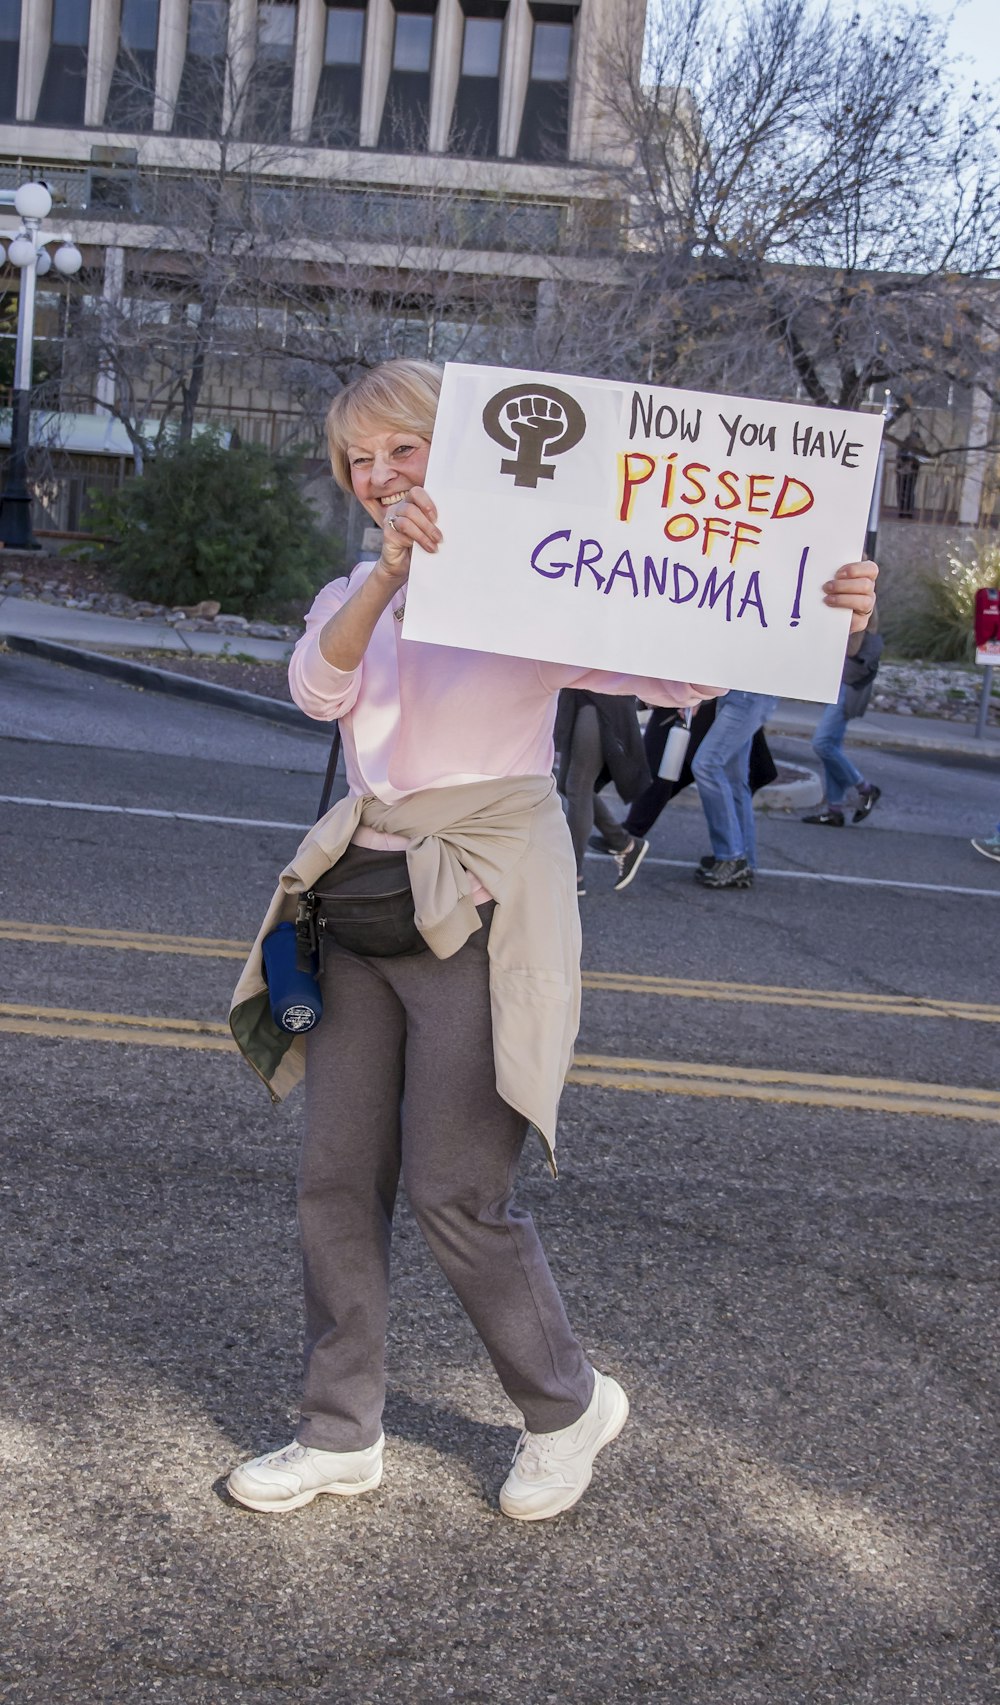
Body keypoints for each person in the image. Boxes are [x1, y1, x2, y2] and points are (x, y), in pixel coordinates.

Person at [225, 358, 880, 1522]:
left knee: (454, 1188)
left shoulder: (528, 585)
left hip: (483, 895)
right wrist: (388, 576)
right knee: (334, 1176)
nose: (379, 476)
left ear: (457, 449)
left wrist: (812, 603)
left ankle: (567, 1404)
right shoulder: (349, 591)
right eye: (358, 461)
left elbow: (682, 667)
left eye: (403, 449)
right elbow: (318, 691)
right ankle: (338, 1432)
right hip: (365, 890)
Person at [554, 688, 650, 895]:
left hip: (601, 698)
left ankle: (574, 874)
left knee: (578, 786)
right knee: (567, 784)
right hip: (579, 695)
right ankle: (624, 844)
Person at [689, 690, 779, 889]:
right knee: (734, 779)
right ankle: (743, 859)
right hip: (741, 694)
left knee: (706, 765)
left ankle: (732, 856)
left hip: (749, 695)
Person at [802, 620, 883, 828]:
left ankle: (865, 789)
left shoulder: (860, 595)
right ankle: (834, 810)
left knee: (822, 744)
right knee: (831, 745)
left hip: (849, 683)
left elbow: (853, 646)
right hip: (850, 681)